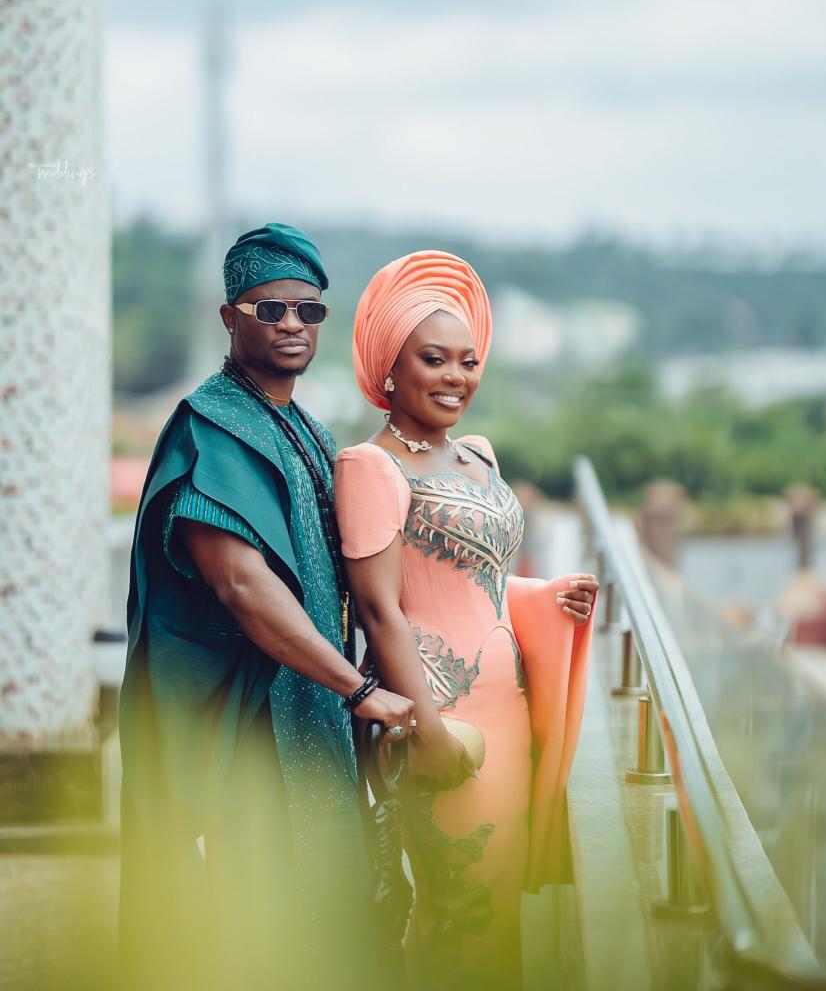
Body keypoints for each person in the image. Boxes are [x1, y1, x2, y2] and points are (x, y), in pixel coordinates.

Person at [118, 223, 415, 991]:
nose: (291, 324)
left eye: (308, 311)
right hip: (249, 723)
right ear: (230, 318)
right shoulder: (210, 425)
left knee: (330, 914)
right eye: (269, 309)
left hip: (317, 710)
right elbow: (243, 589)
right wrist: (360, 689)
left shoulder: (308, 431)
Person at [334, 250, 598, 991]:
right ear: (390, 367)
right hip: (445, 718)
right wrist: (426, 730)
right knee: (463, 913)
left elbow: (474, 581)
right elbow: (381, 608)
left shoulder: (477, 455)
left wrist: (547, 595)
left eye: (468, 360)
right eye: (434, 359)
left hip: (511, 711)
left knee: (497, 910)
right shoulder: (370, 468)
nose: (455, 376)